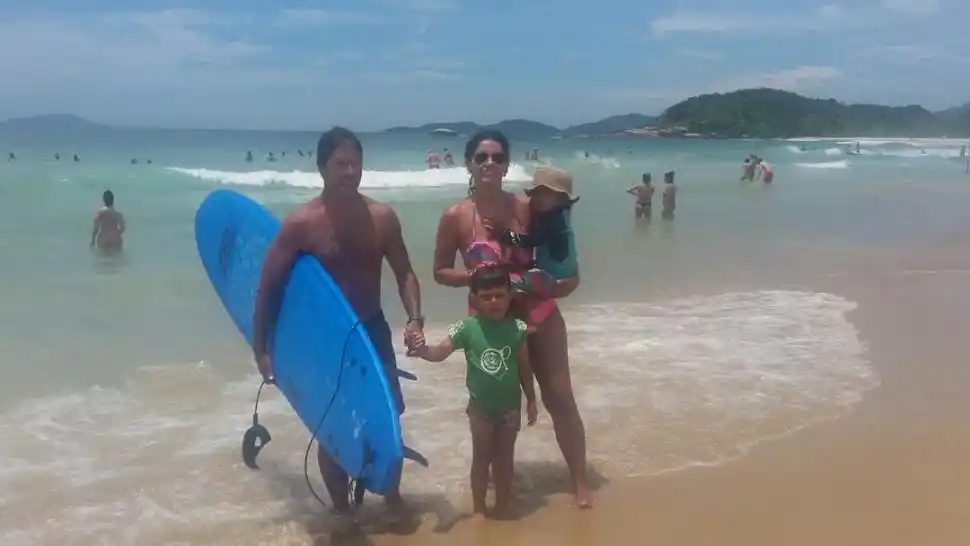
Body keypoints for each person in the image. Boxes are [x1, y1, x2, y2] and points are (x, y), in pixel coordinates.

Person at [251, 126, 424, 516]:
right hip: (325, 341)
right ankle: (343, 510)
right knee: (332, 427)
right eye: (341, 164)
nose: (350, 172)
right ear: (321, 167)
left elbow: (405, 274)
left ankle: (391, 497)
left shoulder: (382, 218)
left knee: (387, 415)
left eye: (356, 164)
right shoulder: (300, 225)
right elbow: (269, 288)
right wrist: (261, 347)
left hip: (372, 329)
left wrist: (415, 318)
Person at [432, 129, 593, 508]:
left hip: (537, 312)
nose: (490, 163)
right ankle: (499, 486)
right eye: (481, 157)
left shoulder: (526, 207)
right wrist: (474, 277)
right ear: (469, 163)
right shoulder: (455, 216)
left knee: (559, 398)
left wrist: (565, 282)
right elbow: (440, 271)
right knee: (493, 406)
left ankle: (581, 481)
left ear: (507, 165)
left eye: (498, 157)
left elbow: (559, 249)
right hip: (491, 328)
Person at [411, 264, 538, 519]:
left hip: (510, 409)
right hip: (480, 411)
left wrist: (532, 399)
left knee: (504, 460)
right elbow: (440, 352)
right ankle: (479, 508)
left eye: (500, 295)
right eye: (486, 296)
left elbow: (524, 367)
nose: (494, 301)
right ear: (474, 299)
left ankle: (503, 504)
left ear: (510, 295)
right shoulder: (466, 328)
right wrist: (423, 350)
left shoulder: (517, 329)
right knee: (481, 460)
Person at [491, 166, 580, 317]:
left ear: (561, 198)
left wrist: (505, 236)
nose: (539, 198)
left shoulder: (553, 219)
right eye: (537, 193)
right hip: (566, 267)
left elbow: (530, 241)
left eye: (546, 194)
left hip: (557, 273)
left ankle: (528, 285)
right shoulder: (560, 214)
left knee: (527, 281)